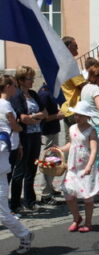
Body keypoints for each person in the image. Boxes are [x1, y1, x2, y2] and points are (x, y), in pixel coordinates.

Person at [57, 101, 99, 233]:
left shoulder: (91, 130)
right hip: (73, 165)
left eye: (81, 115)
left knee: (87, 197)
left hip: (85, 166)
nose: (78, 117)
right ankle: (76, 217)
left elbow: (94, 150)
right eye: (76, 115)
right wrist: (59, 149)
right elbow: (71, 144)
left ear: (87, 116)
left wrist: (89, 166)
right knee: (68, 194)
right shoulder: (72, 128)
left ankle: (88, 222)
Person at [0, 75, 33, 254]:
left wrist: (18, 130)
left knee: (3, 214)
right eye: (13, 85)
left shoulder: (3, 137)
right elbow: (15, 126)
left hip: (0, 174)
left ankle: (24, 234)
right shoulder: (4, 105)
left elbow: (12, 128)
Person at [10, 66, 48, 213]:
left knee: (32, 169)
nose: (32, 81)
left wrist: (34, 118)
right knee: (20, 170)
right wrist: (34, 118)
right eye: (29, 78)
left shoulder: (33, 94)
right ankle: (15, 204)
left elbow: (44, 112)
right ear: (20, 80)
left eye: (32, 78)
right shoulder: (17, 96)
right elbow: (23, 118)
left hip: (36, 135)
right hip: (23, 136)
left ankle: (30, 201)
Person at [38, 82, 64, 205]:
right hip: (47, 132)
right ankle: (45, 193)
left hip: (53, 131)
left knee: (53, 161)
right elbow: (44, 117)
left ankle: (50, 187)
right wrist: (58, 115)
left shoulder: (50, 92)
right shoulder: (44, 94)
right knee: (47, 162)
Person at [60, 36, 86, 143]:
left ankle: (66, 160)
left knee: (70, 140)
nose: (77, 49)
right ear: (69, 46)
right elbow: (82, 85)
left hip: (68, 107)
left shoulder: (61, 62)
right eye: (75, 46)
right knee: (77, 141)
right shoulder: (70, 63)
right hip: (75, 108)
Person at [0, 75, 23, 185]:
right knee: (6, 178)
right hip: (9, 145)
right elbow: (14, 126)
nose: (16, 88)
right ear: (7, 87)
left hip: (9, 143)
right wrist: (21, 127)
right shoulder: (6, 105)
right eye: (15, 86)